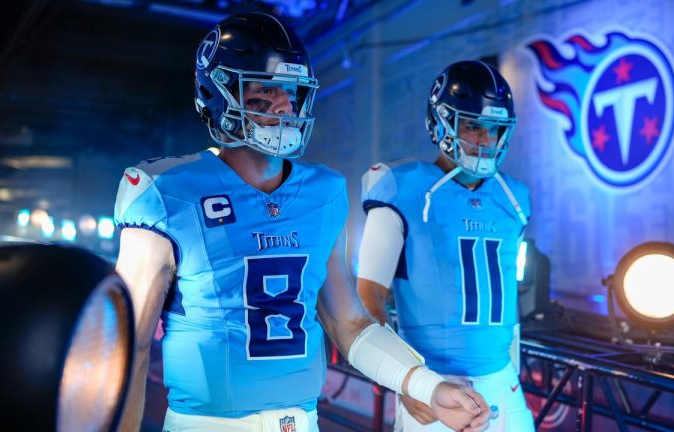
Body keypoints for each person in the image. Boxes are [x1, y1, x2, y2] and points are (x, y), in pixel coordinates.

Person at [113, 13, 491, 432]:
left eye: (290, 92)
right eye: (265, 91)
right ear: (217, 93)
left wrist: (428, 388)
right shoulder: (167, 190)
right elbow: (130, 345)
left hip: (303, 421)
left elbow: (350, 324)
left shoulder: (323, 191)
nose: (283, 105)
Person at [357, 60, 535, 431]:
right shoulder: (402, 186)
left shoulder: (513, 197)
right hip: (435, 381)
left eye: (494, 129)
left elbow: (508, 302)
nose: (485, 140)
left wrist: (513, 367)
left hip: (503, 379)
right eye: (473, 126)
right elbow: (368, 297)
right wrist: (405, 381)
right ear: (441, 122)